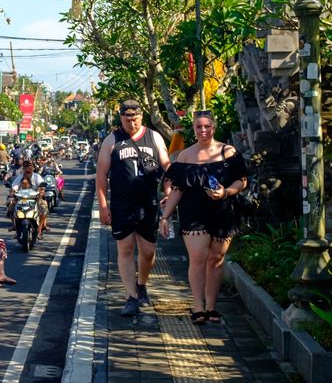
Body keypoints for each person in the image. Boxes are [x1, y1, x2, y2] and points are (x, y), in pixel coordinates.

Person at [159, 111, 249, 324]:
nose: (203, 131)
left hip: (223, 211)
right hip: (193, 213)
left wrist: (225, 192)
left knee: (216, 260)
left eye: (207, 126)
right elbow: (178, 189)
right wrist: (165, 217)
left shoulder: (227, 152)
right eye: (199, 127)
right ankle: (198, 308)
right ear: (194, 129)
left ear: (214, 127)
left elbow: (242, 180)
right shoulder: (185, 156)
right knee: (198, 257)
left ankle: (211, 307)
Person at [96, 99, 171, 318]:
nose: (132, 122)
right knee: (125, 249)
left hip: (148, 203)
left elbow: (166, 165)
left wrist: (169, 191)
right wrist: (103, 205)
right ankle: (131, 297)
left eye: (135, 117)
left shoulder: (153, 137)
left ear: (142, 117)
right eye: (127, 118)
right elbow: (101, 175)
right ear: (121, 118)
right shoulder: (112, 140)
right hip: (122, 204)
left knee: (148, 252)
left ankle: (142, 284)